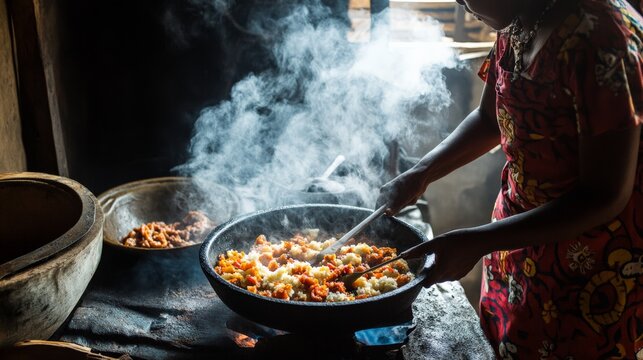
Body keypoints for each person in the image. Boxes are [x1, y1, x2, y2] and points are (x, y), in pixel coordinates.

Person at [377, 0, 643, 358]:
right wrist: (420, 173)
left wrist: (479, 241)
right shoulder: (522, 16)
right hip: (515, 245)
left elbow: (605, 194)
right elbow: (491, 119)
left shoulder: (602, 37)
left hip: (589, 272)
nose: (458, 1)